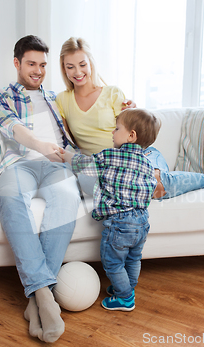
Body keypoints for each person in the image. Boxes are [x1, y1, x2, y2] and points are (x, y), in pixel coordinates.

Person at [56, 37, 204, 199]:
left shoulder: (112, 93)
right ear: (64, 69)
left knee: (155, 179)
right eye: (70, 67)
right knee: (147, 184)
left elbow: (134, 132)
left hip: (140, 156)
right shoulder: (62, 100)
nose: (78, 72)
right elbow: (65, 139)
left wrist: (133, 111)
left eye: (82, 64)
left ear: (90, 64)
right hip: (107, 167)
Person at [0, 35, 80, 343]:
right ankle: (43, 292)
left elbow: (86, 115)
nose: (38, 70)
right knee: (11, 199)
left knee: (67, 202)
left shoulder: (56, 97)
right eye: (31, 64)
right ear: (17, 63)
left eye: (42, 65)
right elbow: (14, 127)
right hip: (18, 164)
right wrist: (41, 145)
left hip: (57, 166)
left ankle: (36, 301)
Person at [60, 108, 161, 311]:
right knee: (133, 259)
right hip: (142, 221)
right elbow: (151, 188)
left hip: (120, 222)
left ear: (131, 135)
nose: (112, 133)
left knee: (113, 263)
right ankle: (126, 288)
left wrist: (66, 156)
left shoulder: (111, 156)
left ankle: (124, 298)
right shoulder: (148, 164)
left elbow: (86, 164)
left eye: (117, 129)